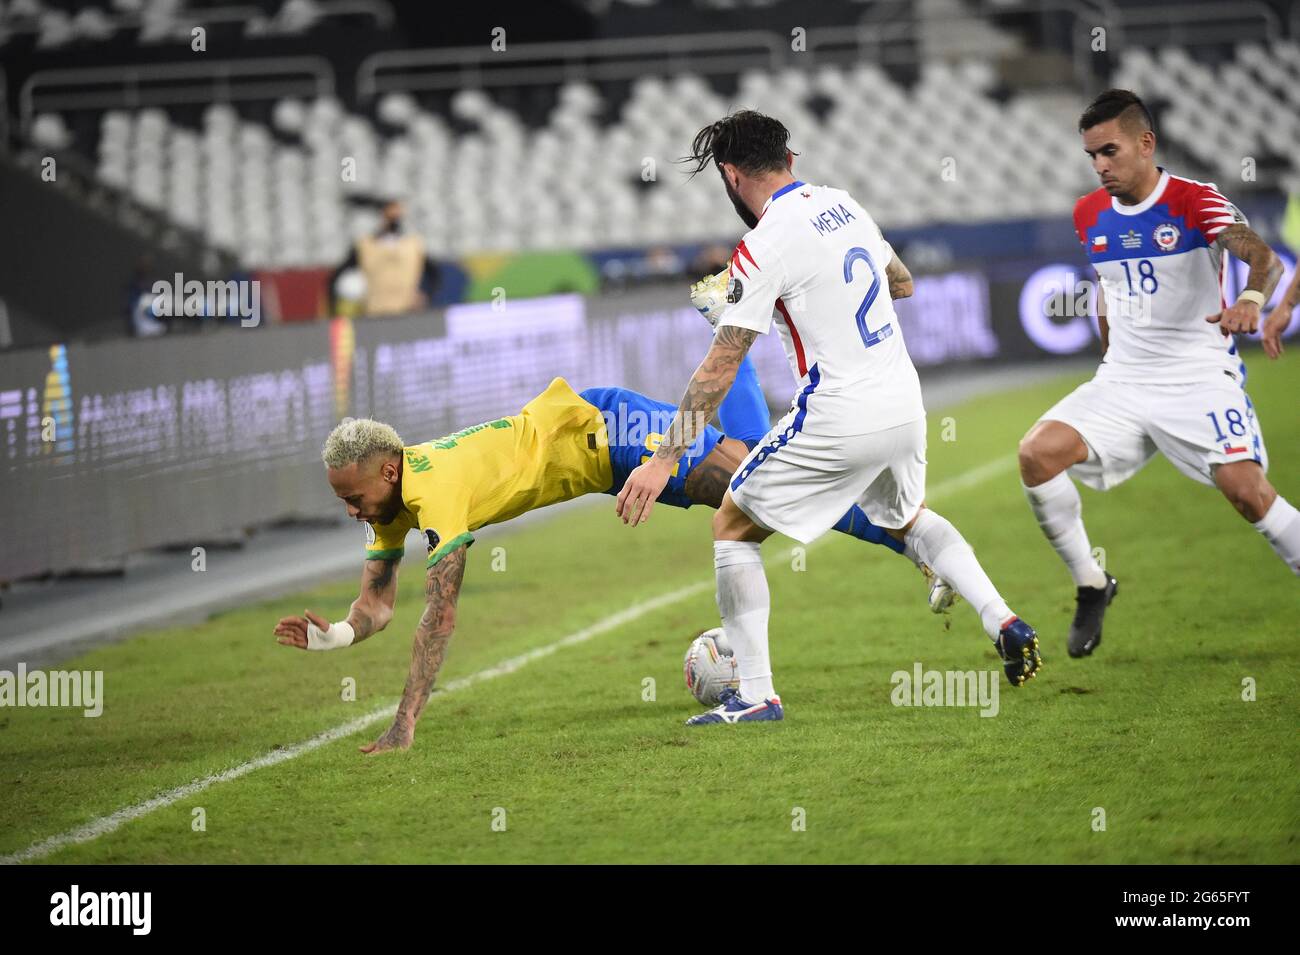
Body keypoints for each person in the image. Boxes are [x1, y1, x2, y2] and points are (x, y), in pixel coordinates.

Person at [274, 340, 949, 754]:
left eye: (352, 493)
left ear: (386, 470)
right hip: (602, 464)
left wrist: (405, 722)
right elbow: (379, 604)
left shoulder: (435, 489)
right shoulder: (390, 505)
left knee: (762, 489)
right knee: (757, 481)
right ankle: (734, 338)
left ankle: (914, 539)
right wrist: (333, 636)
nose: (350, 508)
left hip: (609, 431)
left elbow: (439, 613)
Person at [615, 110, 1041, 726]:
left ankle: (756, 695)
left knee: (733, 525)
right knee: (908, 519)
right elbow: (902, 283)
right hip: (903, 402)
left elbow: (720, 366)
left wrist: (661, 461)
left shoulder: (762, 245)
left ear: (732, 176)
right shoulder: (842, 204)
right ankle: (1002, 618)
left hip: (840, 409)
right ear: (791, 160)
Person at [1017, 89, 1293, 659]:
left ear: (1146, 143)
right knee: (1037, 454)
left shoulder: (1195, 201)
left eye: (1109, 151)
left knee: (1247, 493)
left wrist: (1250, 299)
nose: (1099, 166)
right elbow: (1106, 290)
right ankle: (1092, 583)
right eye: (1091, 155)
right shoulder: (1088, 213)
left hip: (1197, 376)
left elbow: (1264, 257)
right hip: (1123, 379)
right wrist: (1109, 358)